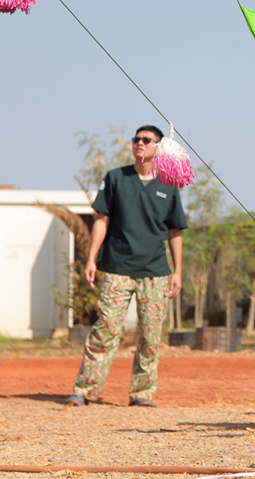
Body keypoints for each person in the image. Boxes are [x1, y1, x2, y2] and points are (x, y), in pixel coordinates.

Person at [65, 125, 188, 407]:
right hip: (117, 267)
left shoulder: (169, 185)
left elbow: (175, 232)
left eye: (146, 140)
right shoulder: (116, 178)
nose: (139, 143)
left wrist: (178, 271)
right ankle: (85, 390)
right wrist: (92, 258)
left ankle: (142, 394)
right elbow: (101, 220)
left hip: (156, 271)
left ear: (159, 147)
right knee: (106, 328)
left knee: (150, 334)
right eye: (136, 139)